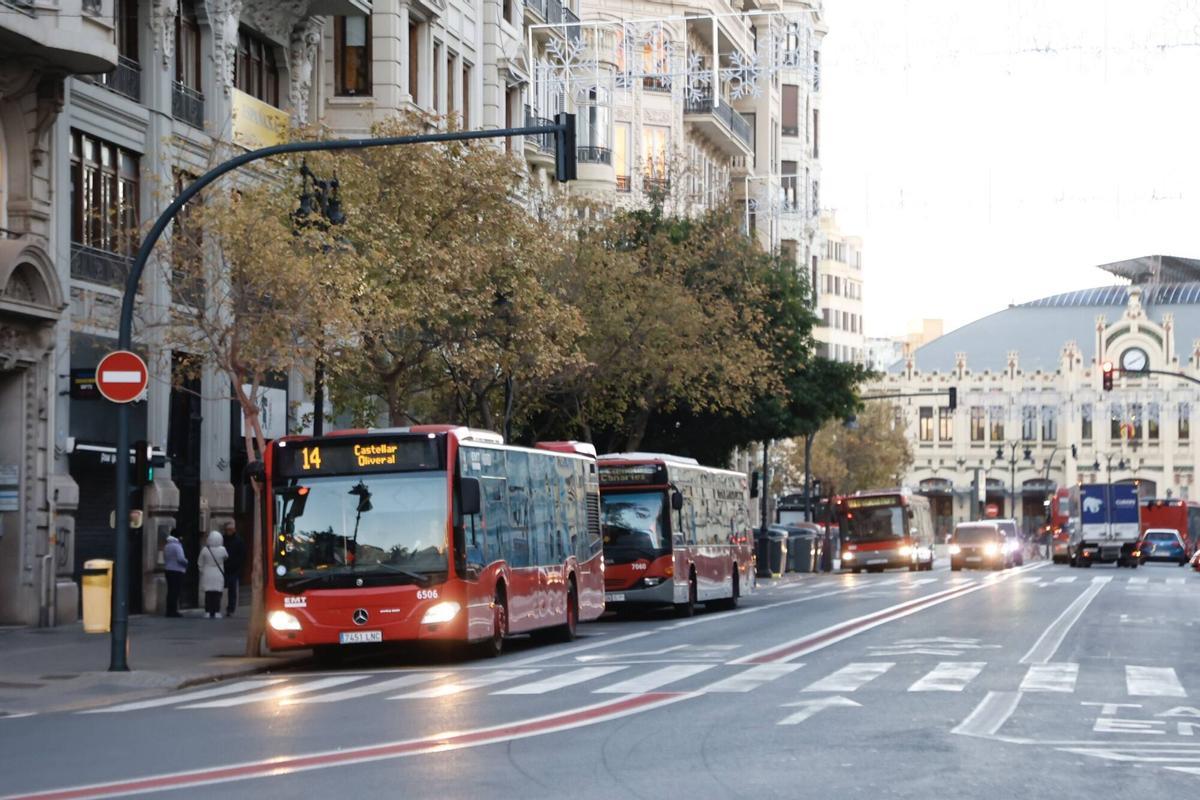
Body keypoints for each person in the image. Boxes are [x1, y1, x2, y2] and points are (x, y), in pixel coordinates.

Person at [197, 530, 228, 619]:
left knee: (208, 594)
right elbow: (226, 557)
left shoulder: (205, 550)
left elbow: (200, 562)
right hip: (218, 573)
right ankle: (216, 611)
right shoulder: (222, 550)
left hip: (207, 573)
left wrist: (202, 571)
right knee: (217, 594)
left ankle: (208, 611)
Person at [222, 521, 245, 617]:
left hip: (234, 569)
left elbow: (242, 555)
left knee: (232, 590)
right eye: (227, 530)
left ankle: (230, 609)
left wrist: (237, 566)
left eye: (231, 530)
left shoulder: (239, 541)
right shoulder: (223, 540)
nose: (229, 532)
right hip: (223, 568)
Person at [163, 529, 187, 617]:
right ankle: (173, 611)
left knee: (170, 591)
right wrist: (186, 562)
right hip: (177, 571)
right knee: (175, 592)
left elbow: (165, 557)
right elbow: (181, 558)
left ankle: (169, 610)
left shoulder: (167, 545)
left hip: (168, 569)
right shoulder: (177, 546)